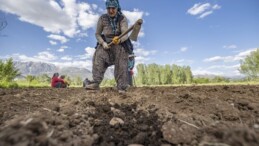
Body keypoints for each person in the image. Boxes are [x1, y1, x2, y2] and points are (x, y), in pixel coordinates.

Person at [85, 0, 129, 93]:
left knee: (122, 58)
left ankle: (121, 86)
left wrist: (119, 39)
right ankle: (96, 83)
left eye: (113, 8)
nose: (111, 10)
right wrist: (102, 42)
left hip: (119, 45)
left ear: (117, 8)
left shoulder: (122, 18)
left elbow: (125, 34)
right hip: (106, 45)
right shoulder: (102, 18)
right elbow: (97, 34)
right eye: (109, 8)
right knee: (98, 55)